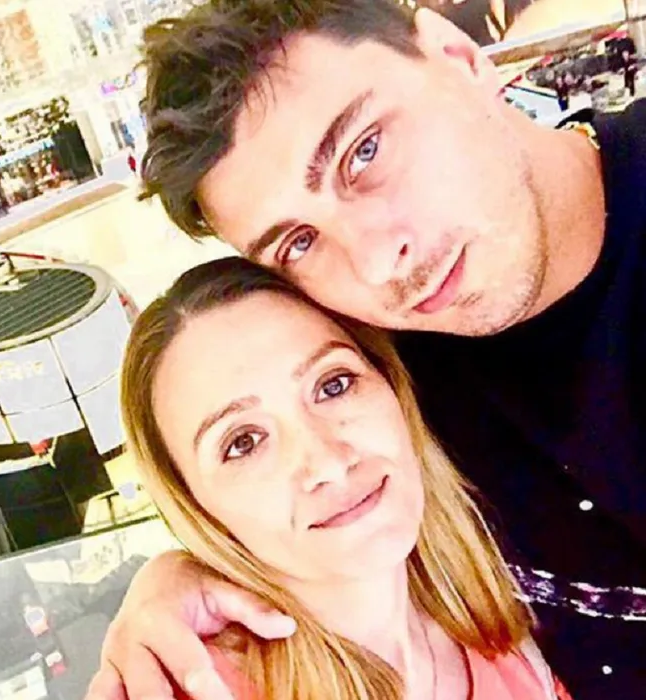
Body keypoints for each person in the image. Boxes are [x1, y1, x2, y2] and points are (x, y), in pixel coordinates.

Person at [90, 2, 646, 699]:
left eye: (364, 152)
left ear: (457, 56)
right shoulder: (388, 369)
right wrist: (184, 575)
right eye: (299, 242)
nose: (380, 263)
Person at [120, 258, 572, 699]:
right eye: (243, 442)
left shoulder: (506, 598)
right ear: (194, 505)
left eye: (333, 385)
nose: (328, 463)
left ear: (391, 386)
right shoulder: (196, 686)